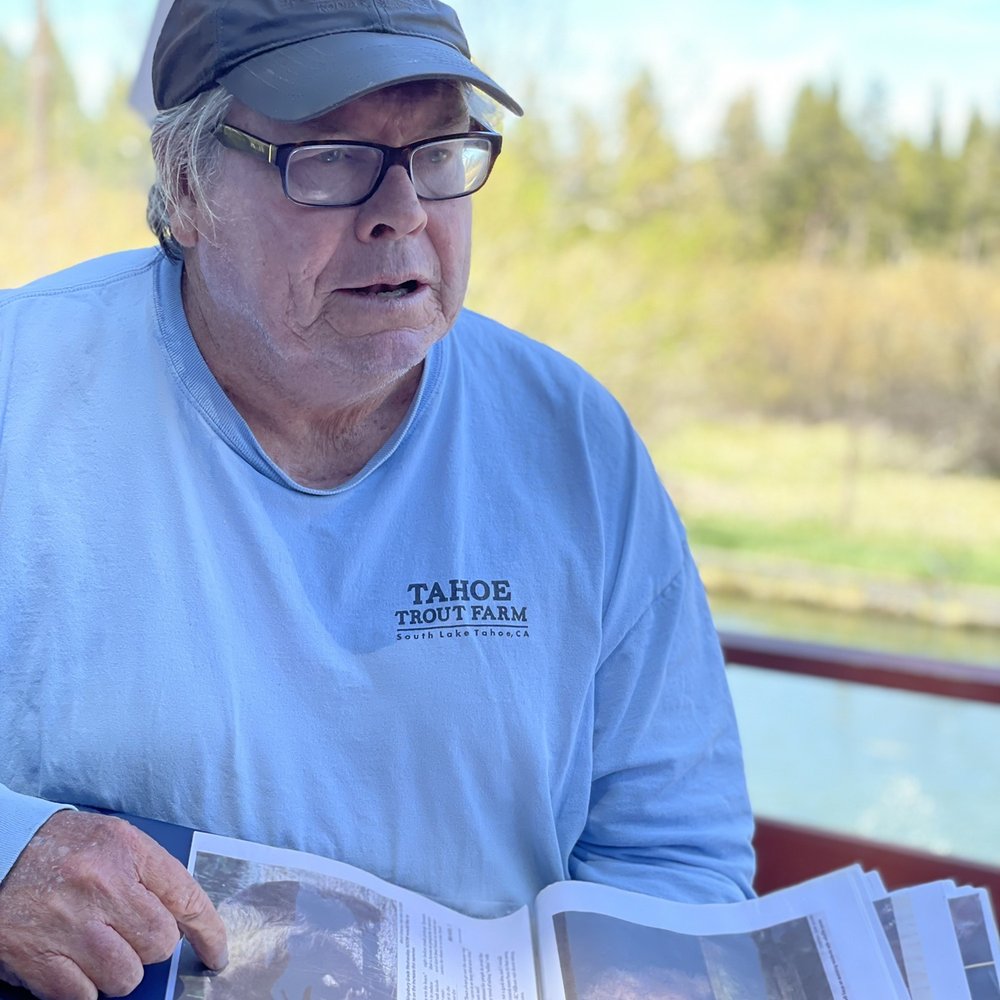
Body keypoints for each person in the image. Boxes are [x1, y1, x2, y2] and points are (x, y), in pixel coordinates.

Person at [0, 0, 756, 997]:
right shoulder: (20, 386)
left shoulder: (575, 441)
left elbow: (676, 855)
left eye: (438, 154)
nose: (401, 211)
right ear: (185, 189)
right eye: (330, 158)